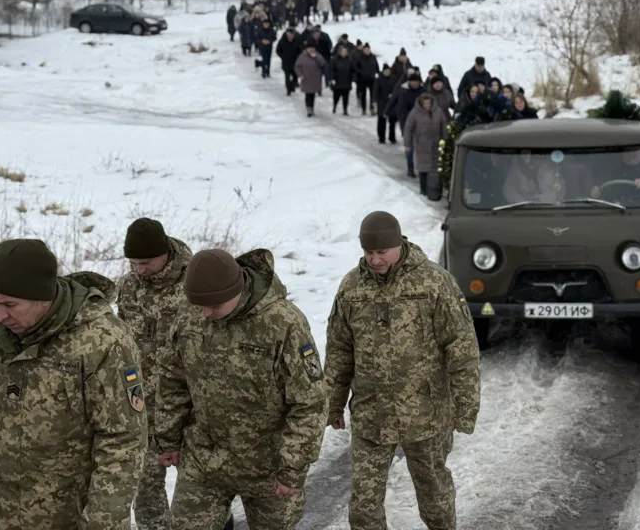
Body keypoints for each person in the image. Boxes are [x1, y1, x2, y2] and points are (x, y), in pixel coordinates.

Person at [0, 239, 147, 529]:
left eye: (10, 304)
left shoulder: (101, 341)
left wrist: (102, 522)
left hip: (71, 517)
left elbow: (122, 443)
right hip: (1, 511)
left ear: (43, 296)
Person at [324, 212, 481, 530]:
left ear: (398, 244)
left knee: (435, 500)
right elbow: (340, 350)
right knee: (363, 510)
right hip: (371, 414)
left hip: (426, 414)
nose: (375, 259)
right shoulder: (352, 287)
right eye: (369, 252)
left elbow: (462, 349)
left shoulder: (434, 283)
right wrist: (333, 402)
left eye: (382, 252)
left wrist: (466, 409)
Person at [155, 248, 327, 530]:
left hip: (268, 465)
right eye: (199, 305)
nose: (205, 314)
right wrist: (168, 437)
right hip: (205, 459)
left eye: (213, 306)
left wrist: (292, 467)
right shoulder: (192, 314)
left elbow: (310, 403)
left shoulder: (283, 323)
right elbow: (173, 379)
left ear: (236, 291)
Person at [116, 219, 193, 530]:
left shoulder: (194, 284)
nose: (138, 269)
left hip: (189, 402)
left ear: (165, 254)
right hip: (142, 403)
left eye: (145, 262)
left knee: (200, 484)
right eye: (133, 262)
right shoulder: (128, 287)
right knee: (144, 485)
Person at [403, 93, 450, 197]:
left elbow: (444, 125)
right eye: (425, 103)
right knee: (423, 168)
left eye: (429, 103)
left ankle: (435, 190)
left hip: (436, 144)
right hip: (422, 144)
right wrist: (408, 144)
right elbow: (408, 128)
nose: (427, 105)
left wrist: (445, 140)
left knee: (437, 167)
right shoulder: (415, 113)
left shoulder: (438, 111)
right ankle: (423, 190)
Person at [295, 43, 328, 117]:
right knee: (308, 94)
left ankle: (311, 108)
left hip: (315, 78)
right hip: (306, 78)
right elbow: (297, 66)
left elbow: (323, 63)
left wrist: (316, 57)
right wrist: (300, 75)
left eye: (313, 48)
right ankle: (308, 109)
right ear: (307, 49)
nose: (311, 50)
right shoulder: (302, 56)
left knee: (312, 94)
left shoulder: (318, 55)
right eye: (309, 48)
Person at [329, 45, 355, 115]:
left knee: (346, 97)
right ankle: (334, 106)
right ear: (339, 52)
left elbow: (353, 70)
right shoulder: (334, 59)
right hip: (337, 81)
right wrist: (332, 79)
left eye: (345, 51)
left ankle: (345, 110)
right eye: (343, 51)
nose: (344, 53)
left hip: (347, 81)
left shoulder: (349, 60)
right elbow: (331, 70)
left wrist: (352, 79)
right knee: (336, 96)